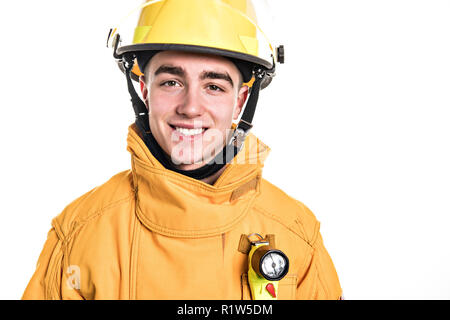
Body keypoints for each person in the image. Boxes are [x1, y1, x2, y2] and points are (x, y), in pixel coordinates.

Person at [22, 0, 342, 300]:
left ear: (240, 103)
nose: (190, 108)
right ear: (145, 91)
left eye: (213, 86)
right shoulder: (80, 233)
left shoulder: (296, 234)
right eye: (171, 82)